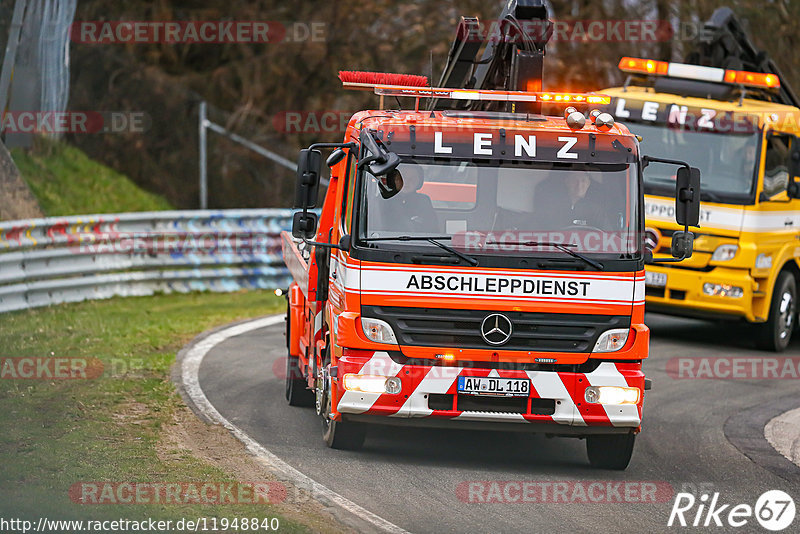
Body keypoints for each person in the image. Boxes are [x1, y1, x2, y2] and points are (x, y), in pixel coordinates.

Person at [377, 165, 440, 233]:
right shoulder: (383, 199)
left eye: (412, 178)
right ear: (394, 179)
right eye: (403, 177)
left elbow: (433, 230)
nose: (407, 182)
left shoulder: (423, 201)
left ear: (419, 181)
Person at [533, 173, 608, 229]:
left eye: (583, 181)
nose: (579, 185)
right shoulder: (551, 208)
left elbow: (607, 236)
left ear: (588, 184)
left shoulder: (596, 211)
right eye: (574, 180)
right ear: (567, 182)